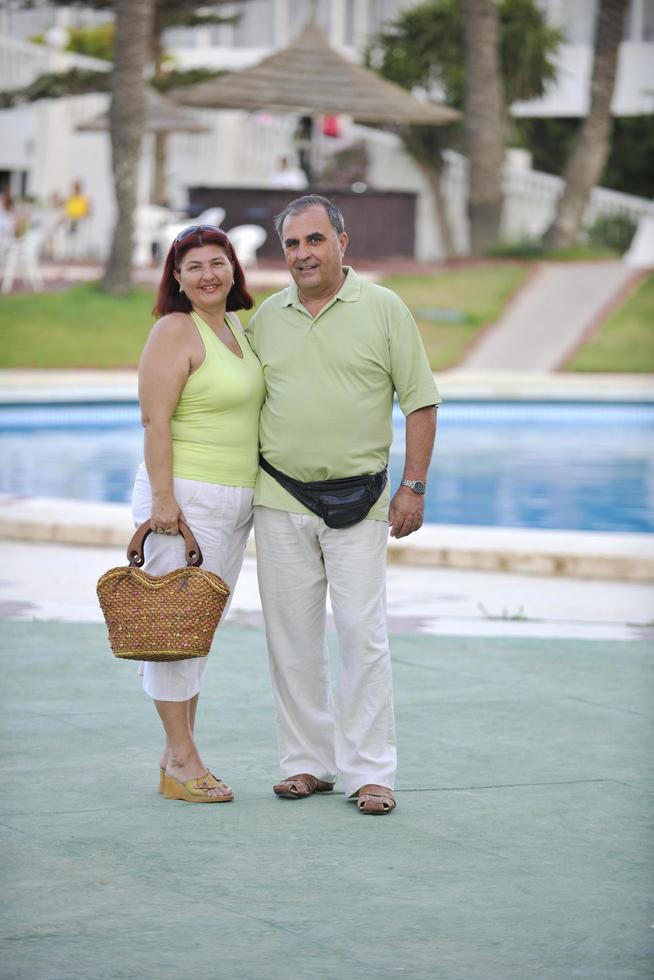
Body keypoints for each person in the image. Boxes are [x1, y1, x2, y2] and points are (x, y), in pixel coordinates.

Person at [245, 194, 440, 815]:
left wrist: (413, 486)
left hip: (364, 499)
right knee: (291, 639)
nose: (303, 254)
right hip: (280, 496)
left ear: (342, 242)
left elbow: (421, 402)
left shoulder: (384, 309)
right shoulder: (264, 318)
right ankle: (307, 764)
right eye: (293, 245)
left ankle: (370, 773)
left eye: (314, 240)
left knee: (362, 634)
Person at [132, 224, 265, 804]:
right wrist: (164, 504)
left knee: (195, 631)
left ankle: (176, 754)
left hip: (234, 500)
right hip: (184, 500)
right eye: (194, 267)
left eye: (218, 262)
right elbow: (155, 422)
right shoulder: (174, 330)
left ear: (233, 269)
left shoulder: (236, 326)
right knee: (171, 631)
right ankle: (183, 759)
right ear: (178, 280)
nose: (208, 274)